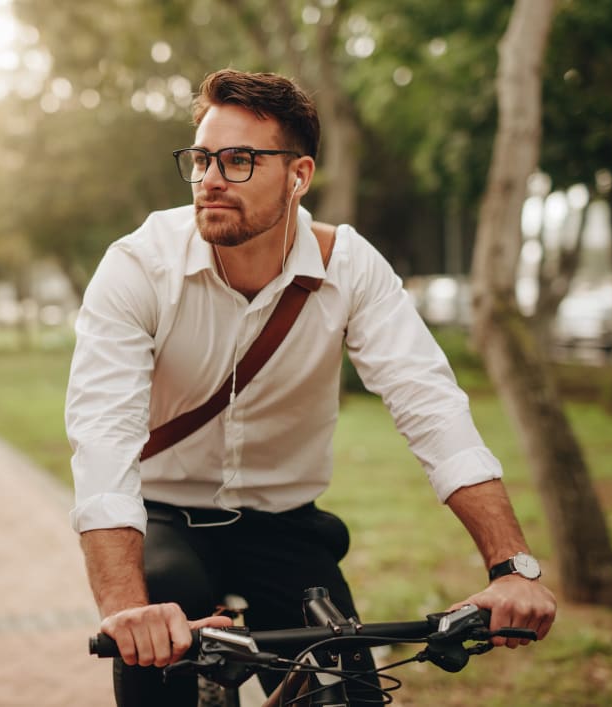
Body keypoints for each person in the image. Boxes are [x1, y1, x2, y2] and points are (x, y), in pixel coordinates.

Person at [65, 69, 557, 706]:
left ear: (298, 176)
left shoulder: (350, 267)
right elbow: (103, 435)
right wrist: (127, 609)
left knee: (345, 687)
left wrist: (509, 567)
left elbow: (431, 407)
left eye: (239, 160)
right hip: (165, 520)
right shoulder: (138, 266)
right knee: (160, 617)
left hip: (284, 526)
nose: (210, 178)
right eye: (201, 158)